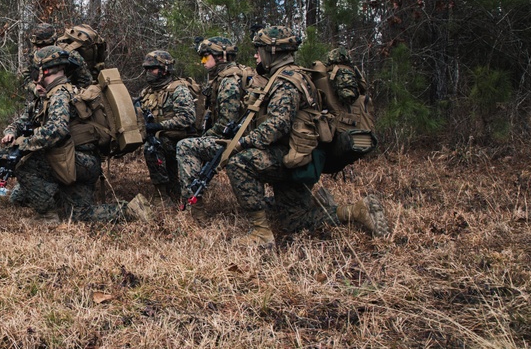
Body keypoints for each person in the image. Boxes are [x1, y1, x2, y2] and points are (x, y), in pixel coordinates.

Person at [224, 26, 389, 247]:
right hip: (303, 156)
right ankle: (355, 211)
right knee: (296, 222)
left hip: (292, 158)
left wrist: (240, 144)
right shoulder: (294, 75)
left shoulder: (286, 82)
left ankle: (261, 233)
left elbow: (277, 125)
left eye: (259, 49)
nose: (256, 55)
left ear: (272, 51)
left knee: (239, 163)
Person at [1, 46, 151, 223]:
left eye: (36, 70)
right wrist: (11, 132)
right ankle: (131, 211)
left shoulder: (59, 95)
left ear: (45, 71)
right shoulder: (58, 93)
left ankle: (47, 216)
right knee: (78, 214)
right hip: (83, 162)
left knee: (25, 164)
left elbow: (57, 130)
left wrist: (22, 144)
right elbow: (22, 120)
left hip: (76, 161)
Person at [176, 37, 254, 204]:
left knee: (185, 146)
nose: (202, 61)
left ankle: (193, 206)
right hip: (240, 137)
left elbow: (227, 122)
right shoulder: (229, 76)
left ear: (221, 56)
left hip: (235, 141)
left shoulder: (229, 81)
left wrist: (206, 136)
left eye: (206, 56)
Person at [137, 50, 197, 201]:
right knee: (154, 145)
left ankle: (162, 197)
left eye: (153, 68)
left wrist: (159, 126)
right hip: (162, 138)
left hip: (181, 139)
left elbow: (187, 118)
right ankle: (165, 192)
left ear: (165, 70)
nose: (149, 72)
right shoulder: (147, 92)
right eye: (147, 69)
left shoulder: (178, 89)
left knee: (153, 149)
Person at [21, 23, 93, 93]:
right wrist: (35, 89)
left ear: (54, 41)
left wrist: (69, 92)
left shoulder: (70, 55)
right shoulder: (35, 55)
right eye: (38, 46)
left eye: (45, 45)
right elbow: (26, 75)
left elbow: (86, 82)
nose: (40, 49)